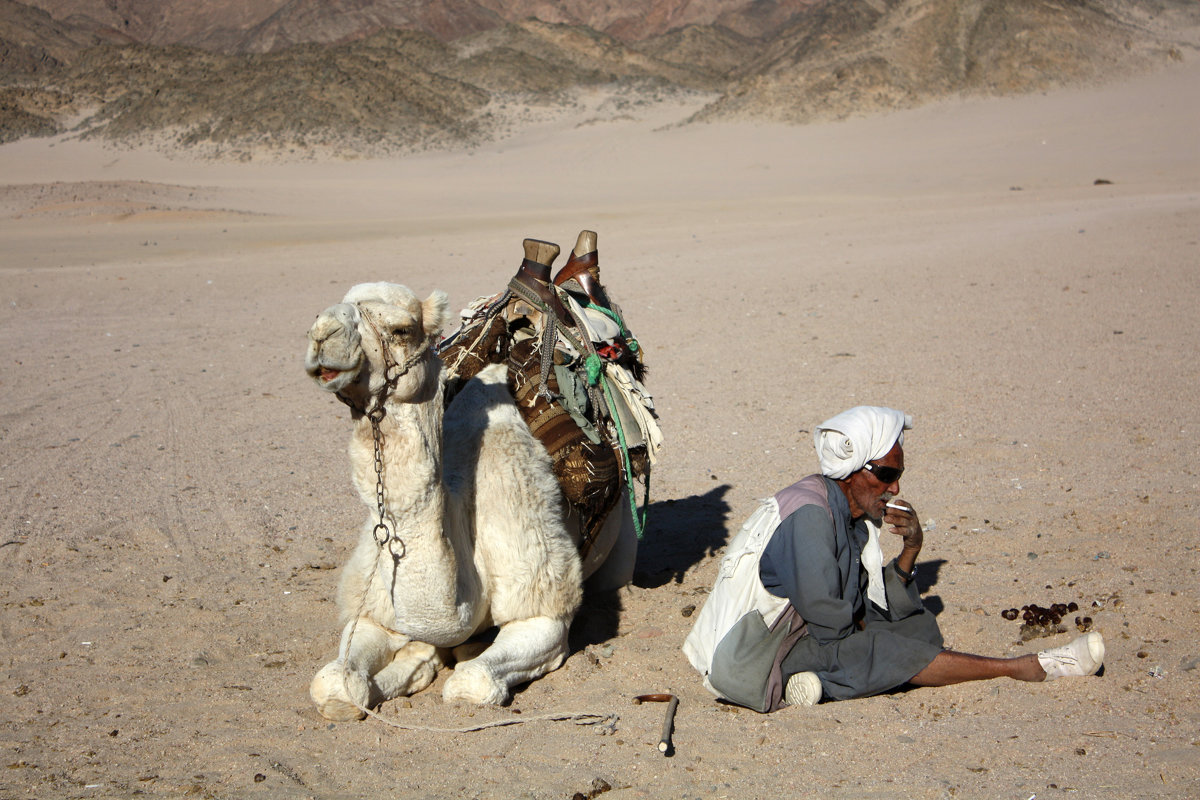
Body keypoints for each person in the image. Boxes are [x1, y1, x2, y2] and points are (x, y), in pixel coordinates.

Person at [682, 405, 1104, 712]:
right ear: (853, 471)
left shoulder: (845, 509)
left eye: (898, 475)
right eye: (886, 474)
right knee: (881, 648)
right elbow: (832, 622)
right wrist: (877, 635)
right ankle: (1027, 667)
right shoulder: (810, 516)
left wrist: (911, 551)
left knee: (918, 627)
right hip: (751, 661)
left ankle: (818, 684)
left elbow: (861, 596)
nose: (895, 487)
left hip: (799, 634)